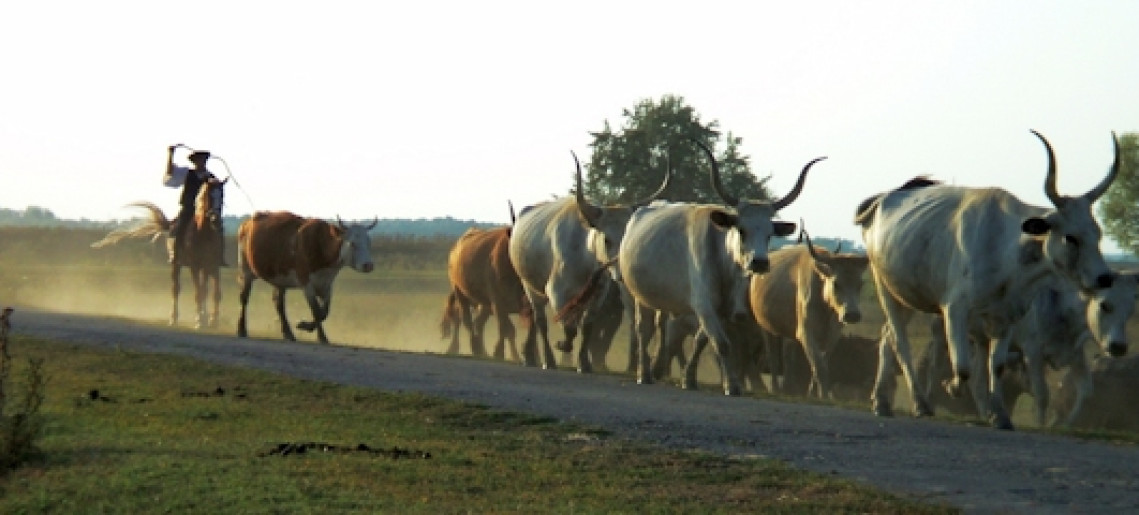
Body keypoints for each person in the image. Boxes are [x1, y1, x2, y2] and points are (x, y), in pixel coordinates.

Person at [163, 146, 226, 266]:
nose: (201, 162)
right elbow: (170, 172)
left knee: (218, 229)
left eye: (203, 160)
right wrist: (170, 154)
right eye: (199, 160)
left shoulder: (211, 176)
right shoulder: (187, 173)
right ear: (194, 162)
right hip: (188, 208)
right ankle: (176, 255)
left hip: (206, 212)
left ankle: (219, 257)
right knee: (180, 228)